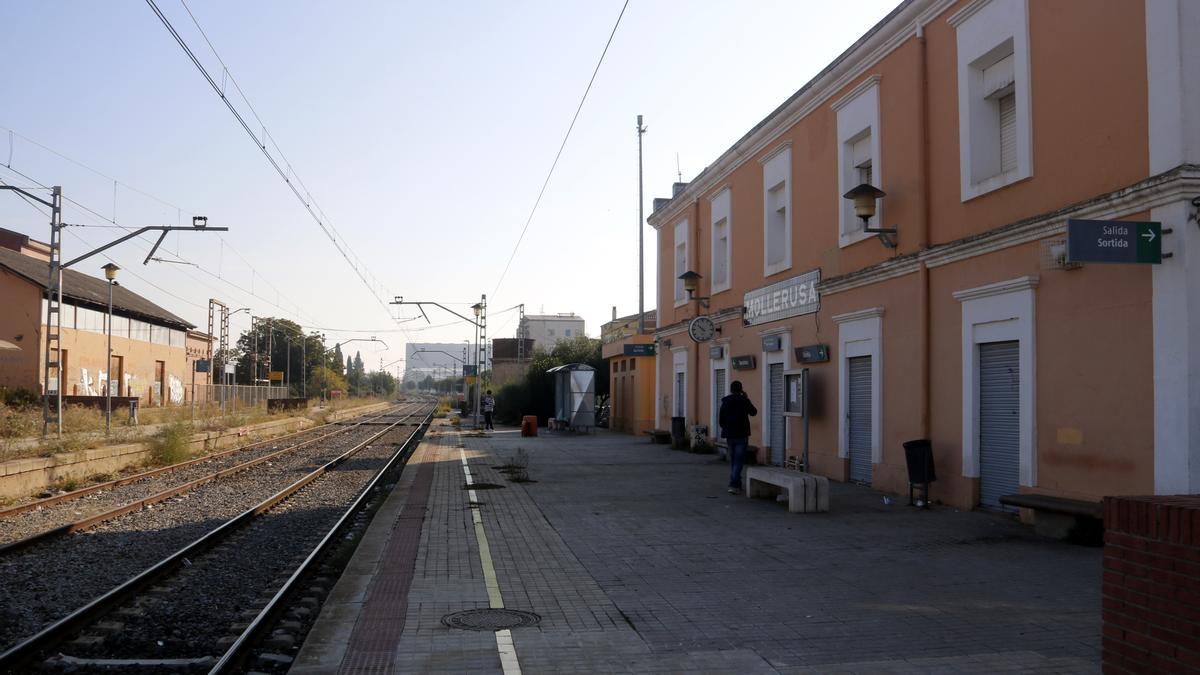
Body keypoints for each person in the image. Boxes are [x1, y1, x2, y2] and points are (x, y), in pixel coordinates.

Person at [718, 380, 758, 494]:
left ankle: (736, 483)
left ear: (731, 389)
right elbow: (754, 412)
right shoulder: (744, 400)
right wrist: (746, 398)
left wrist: (726, 427)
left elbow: (721, 419)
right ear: (741, 389)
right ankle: (733, 484)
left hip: (730, 435)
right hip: (742, 434)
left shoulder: (725, 401)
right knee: (739, 460)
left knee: (734, 459)